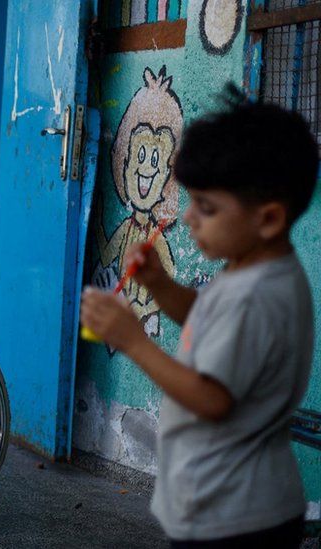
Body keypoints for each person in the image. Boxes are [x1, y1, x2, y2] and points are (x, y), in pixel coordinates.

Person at [80, 96, 318, 548]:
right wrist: (160, 285)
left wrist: (133, 341)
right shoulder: (251, 268)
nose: (189, 218)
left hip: (236, 517)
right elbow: (208, 320)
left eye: (206, 207)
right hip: (230, 502)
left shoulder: (258, 297)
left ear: (268, 218)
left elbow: (213, 400)